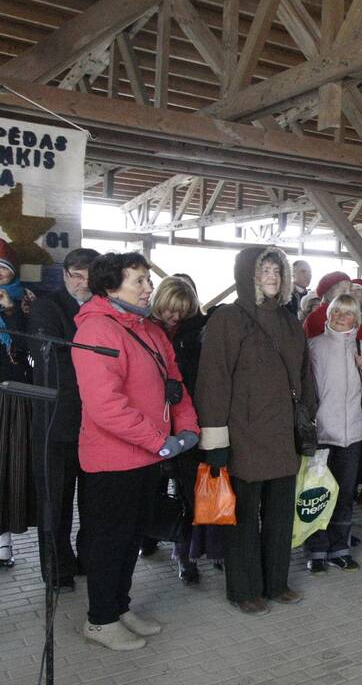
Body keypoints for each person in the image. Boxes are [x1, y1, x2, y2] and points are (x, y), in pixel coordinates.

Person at [72, 252, 199, 650]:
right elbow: (105, 405)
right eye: (139, 281)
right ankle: (100, 619)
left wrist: (189, 427)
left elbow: (174, 383)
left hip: (146, 457)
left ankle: (119, 606)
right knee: (110, 540)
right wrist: (159, 440)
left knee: (131, 538)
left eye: (147, 279)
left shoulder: (148, 329)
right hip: (112, 460)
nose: (149, 288)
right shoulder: (96, 331)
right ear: (111, 287)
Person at [196, 246, 315, 616]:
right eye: (264, 270)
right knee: (244, 518)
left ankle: (276, 582)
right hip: (244, 434)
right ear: (247, 274)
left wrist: (308, 416)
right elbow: (213, 381)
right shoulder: (227, 319)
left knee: (280, 514)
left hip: (282, 436)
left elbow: (304, 375)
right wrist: (215, 440)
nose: (272, 277)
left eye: (277, 271)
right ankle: (243, 589)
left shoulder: (288, 320)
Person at [28, 247, 99, 586]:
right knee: (55, 503)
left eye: (90, 277)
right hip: (57, 422)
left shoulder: (104, 310)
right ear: (65, 274)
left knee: (92, 500)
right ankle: (56, 569)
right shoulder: (48, 307)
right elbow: (55, 362)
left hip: (97, 424)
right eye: (77, 276)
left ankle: (87, 559)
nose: (83, 283)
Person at [305, 294, 362, 572]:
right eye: (336, 312)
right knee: (318, 493)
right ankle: (316, 550)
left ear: (356, 320)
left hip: (353, 433)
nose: (340, 318)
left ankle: (339, 548)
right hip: (322, 431)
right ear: (328, 315)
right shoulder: (314, 347)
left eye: (347, 314)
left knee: (345, 494)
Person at [148, 276, 207, 585]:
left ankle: (185, 554)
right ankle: (148, 538)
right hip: (150, 424)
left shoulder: (197, 331)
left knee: (188, 491)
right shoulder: (143, 328)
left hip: (185, 421)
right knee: (151, 487)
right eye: (169, 310)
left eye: (181, 311)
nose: (174, 317)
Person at [0, 240, 35, 569]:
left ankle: (4, 542)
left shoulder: (25, 300)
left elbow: (27, 348)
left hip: (12, 395)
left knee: (9, 466)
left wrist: (10, 311)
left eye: (3, 268)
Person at [303, 271, 354, 339]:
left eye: (350, 290)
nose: (348, 294)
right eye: (343, 291)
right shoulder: (317, 317)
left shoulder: (352, 312)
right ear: (328, 293)